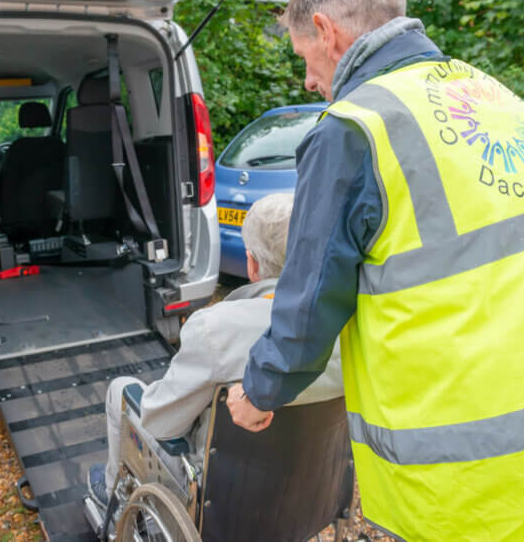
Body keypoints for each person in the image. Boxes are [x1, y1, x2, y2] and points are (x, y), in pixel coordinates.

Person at [227, 0, 524, 541]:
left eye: (305, 56)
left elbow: (309, 306)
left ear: (327, 32)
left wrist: (258, 390)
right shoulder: (502, 101)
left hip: (480, 492)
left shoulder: (355, 129)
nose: (308, 79)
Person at [87, 193, 343, 510]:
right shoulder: (350, 326)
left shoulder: (215, 328)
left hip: (219, 499)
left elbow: (160, 424)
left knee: (120, 391)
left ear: (252, 263)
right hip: (311, 495)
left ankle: (113, 492)